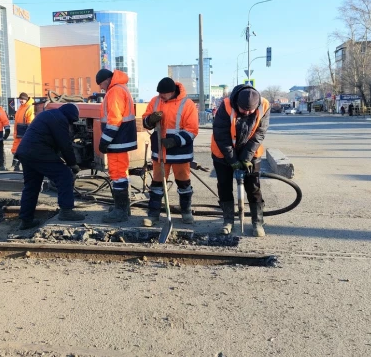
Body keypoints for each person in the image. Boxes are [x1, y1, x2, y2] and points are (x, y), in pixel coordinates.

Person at [211, 85, 270, 237]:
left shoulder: (264, 105)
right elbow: (221, 135)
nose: (247, 113)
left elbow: (259, 133)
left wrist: (245, 158)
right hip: (222, 153)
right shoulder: (225, 106)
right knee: (224, 186)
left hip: (251, 152)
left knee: (253, 186)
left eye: (251, 111)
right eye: (244, 110)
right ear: (237, 103)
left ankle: (257, 222)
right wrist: (233, 160)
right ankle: (228, 221)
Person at [16, 103, 84, 229]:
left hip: (25, 152)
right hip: (38, 152)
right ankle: (66, 211)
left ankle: (26, 220)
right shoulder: (60, 119)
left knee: (31, 186)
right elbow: (65, 145)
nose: (70, 124)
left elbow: (54, 142)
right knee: (64, 175)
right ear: (69, 116)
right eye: (71, 122)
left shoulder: (49, 115)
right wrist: (72, 164)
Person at [142, 77, 199, 227]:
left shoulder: (188, 104)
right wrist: (150, 120)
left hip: (180, 152)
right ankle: (153, 215)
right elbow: (145, 122)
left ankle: (186, 212)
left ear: (172, 92)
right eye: (159, 93)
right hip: (160, 152)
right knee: (157, 184)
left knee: (183, 183)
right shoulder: (155, 101)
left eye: (164, 94)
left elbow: (192, 130)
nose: (161, 96)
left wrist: (175, 141)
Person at [95, 68, 138, 223]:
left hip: (117, 140)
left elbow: (114, 119)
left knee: (118, 173)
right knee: (120, 173)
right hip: (120, 139)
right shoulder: (120, 89)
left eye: (101, 84)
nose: (101, 88)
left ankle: (120, 211)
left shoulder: (114, 91)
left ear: (107, 80)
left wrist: (105, 140)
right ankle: (123, 207)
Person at [11, 92, 35, 171]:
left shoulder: (29, 108)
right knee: (16, 149)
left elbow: (30, 122)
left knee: (24, 150)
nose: (21, 100)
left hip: (24, 132)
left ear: (26, 99)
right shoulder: (21, 107)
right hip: (19, 132)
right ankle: (15, 166)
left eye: (22, 99)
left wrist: (28, 132)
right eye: (20, 99)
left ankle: (26, 167)